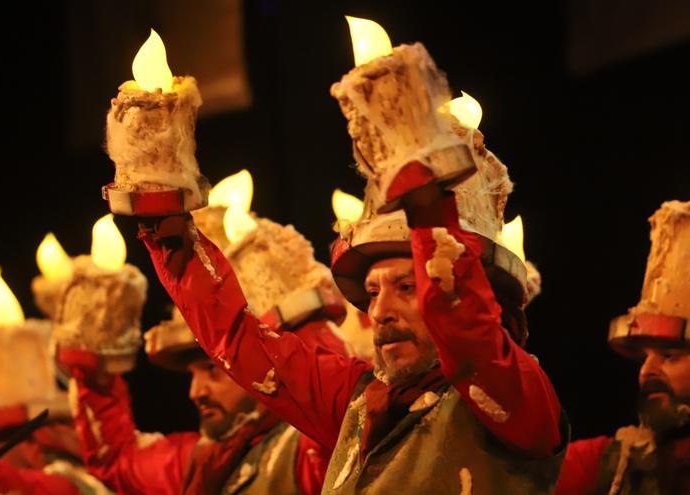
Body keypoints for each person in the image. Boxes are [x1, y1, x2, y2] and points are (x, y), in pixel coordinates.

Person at [137, 162, 567, 493]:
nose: (379, 310)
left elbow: (470, 334)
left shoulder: (517, 392)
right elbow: (240, 339)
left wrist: (418, 186)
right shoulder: (357, 402)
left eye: (405, 286)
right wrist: (167, 229)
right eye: (371, 291)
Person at [60, 214, 350, 495]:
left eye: (213, 370)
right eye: (192, 374)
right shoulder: (199, 462)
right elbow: (117, 461)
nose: (195, 392)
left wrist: (295, 319)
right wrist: (92, 369)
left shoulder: (311, 448)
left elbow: (333, 404)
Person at [556, 200, 690, 495]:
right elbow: (519, 473)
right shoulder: (613, 463)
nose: (646, 371)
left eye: (668, 355)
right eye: (645, 356)